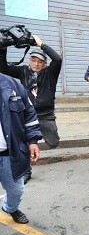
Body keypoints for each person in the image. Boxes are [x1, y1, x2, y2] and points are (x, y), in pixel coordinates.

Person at [0, 35, 62, 183]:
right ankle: (26, 170)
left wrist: (41, 44)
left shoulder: (50, 73)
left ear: (45, 64)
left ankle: (37, 136)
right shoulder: (23, 71)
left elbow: (58, 59)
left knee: (53, 142)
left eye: (40, 61)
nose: (36, 63)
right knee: (25, 143)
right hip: (26, 114)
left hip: (45, 114)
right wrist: (3, 48)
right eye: (33, 60)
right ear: (29, 61)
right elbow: (3, 68)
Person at [0, 73, 42, 226]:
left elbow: (29, 114)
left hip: (10, 155)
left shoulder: (13, 85)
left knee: (16, 191)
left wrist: (33, 141)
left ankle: (10, 208)